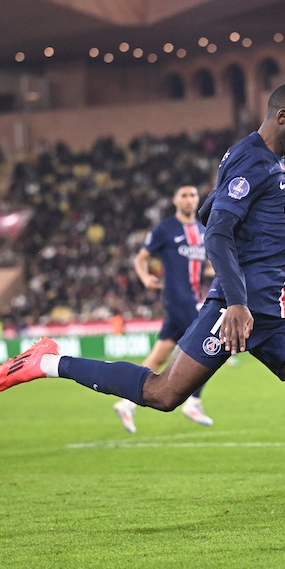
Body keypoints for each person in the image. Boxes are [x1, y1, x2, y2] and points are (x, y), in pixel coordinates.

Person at [0, 82, 285, 543]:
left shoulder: (273, 166)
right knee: (163, 393)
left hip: (280, 314)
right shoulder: (251, 158)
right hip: (237, 309)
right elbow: (216, 233)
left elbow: (214, 213)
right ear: (281, 117)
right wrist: (235, 302)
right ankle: (48, 362)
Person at [113, 184, 213, 432]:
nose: (189, 199)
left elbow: (205, 267)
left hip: (190, 298)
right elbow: (140, 259)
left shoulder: (201, 230)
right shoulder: (165, 229)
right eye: (184, 195)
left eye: (193, 195)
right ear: (174, 200)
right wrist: (145, 277)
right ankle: (193, 401)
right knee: (207, 343)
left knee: (158, 357)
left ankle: (126, 403)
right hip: (177, 298)